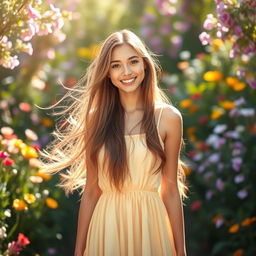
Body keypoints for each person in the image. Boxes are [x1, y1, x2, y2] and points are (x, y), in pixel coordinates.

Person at [38, 29, 189, 256]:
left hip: (151, 225)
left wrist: (181, 251)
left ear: (145, 65)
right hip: (107, 226)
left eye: (133, 62)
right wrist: (78, 251)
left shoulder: (168, 118)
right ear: (107, 73)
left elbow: (170, 190)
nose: (126, 72)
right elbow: (91, 190)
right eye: (116, 65)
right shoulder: (96, 119)